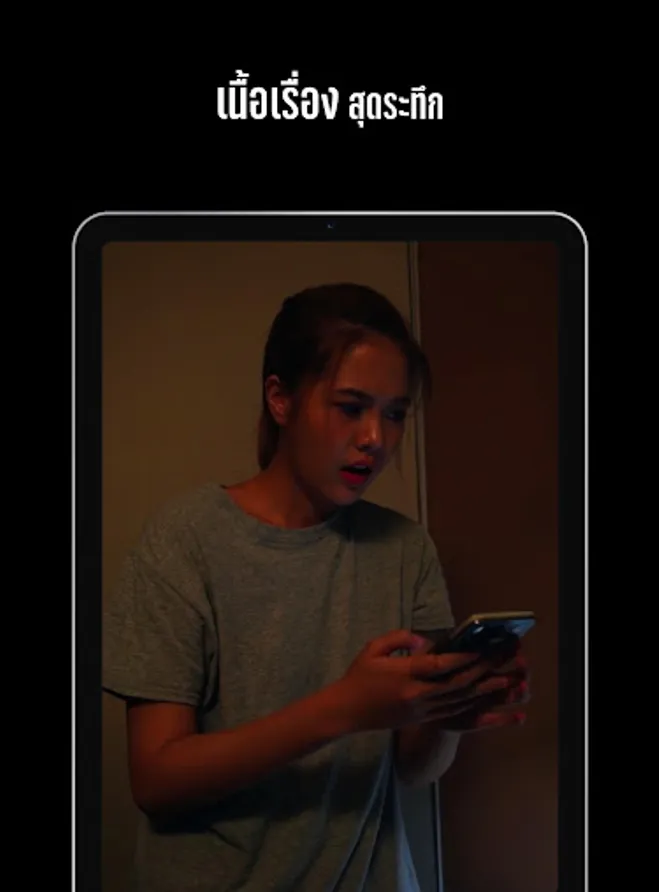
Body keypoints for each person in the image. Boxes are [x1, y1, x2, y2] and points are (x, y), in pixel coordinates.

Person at [103, 283, 529, 892]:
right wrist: (343, 709)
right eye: (351, 407)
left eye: (395, 413)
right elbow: (155, 780)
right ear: (280, 398)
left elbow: (414, 768)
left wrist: (446, 714)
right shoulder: (185, 539)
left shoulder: (407, 549)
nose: (376, 438)